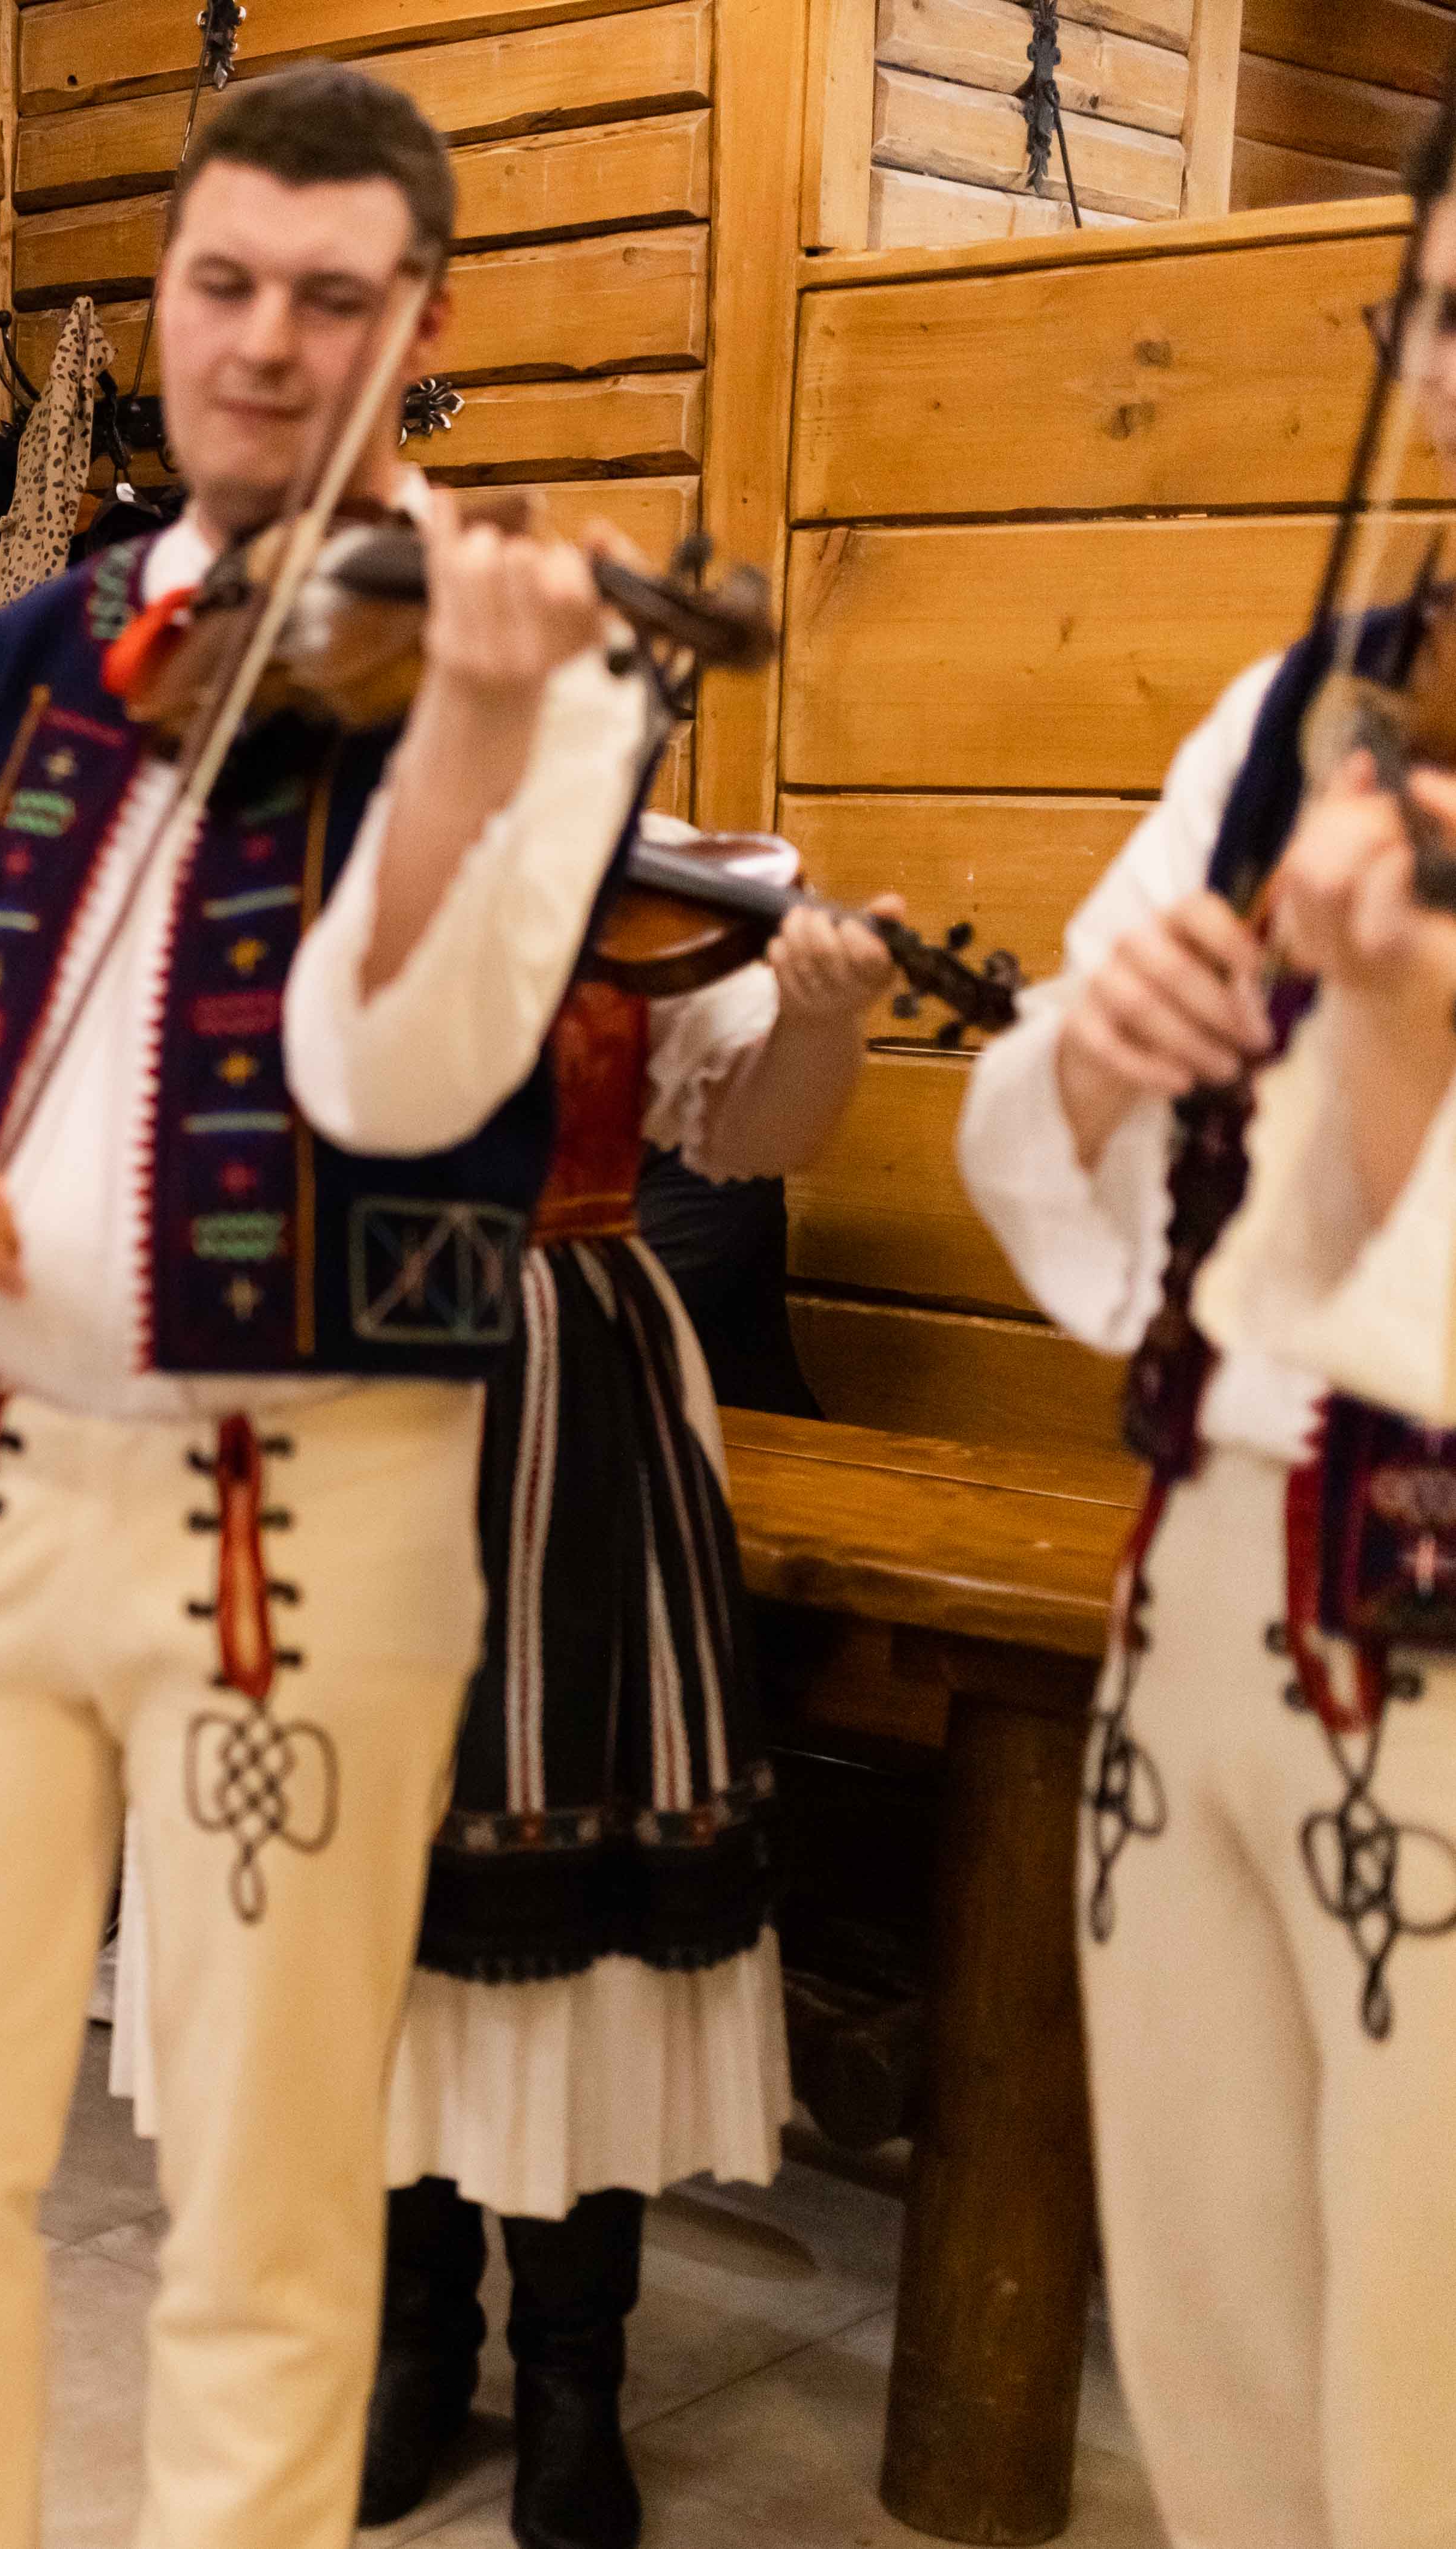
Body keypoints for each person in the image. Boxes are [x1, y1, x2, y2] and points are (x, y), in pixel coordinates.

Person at [0, 66, 664, 2548]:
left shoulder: (546, 673)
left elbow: (397, 1073)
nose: (262, 342)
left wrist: (468, 738)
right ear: (160, 304)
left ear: (417, 328)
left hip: (310, 1509)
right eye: (220, 284)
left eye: (328, 299)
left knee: (266, 2193)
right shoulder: (32, 645)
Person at [956, 109, 1456, 2545]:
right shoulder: (1303, 710)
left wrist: (1401, 1040)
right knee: (1211, 2329)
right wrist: (1094, 1047)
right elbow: (1043, 1108)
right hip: (1205, 1584)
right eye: (1435, 319)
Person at [345, 825, 906, 2548]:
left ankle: (572, 2371)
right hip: (339, 1384)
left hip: (571, 1392)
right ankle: (411, 2340)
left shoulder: (634, 875)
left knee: (575, 1904)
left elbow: (759, 1135)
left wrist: (823, 1018)